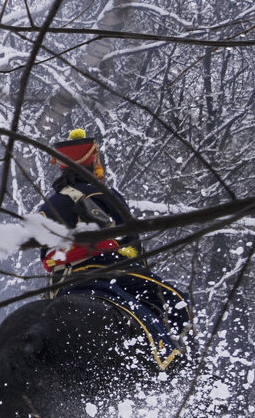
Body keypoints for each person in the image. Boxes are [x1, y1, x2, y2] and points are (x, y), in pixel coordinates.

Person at [37, 129, 192, 359]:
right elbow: (133, 243)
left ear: (62, 166)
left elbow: (44, 256)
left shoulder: (47, 206)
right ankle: (178, 360)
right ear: (93, 162)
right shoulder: (104, 194)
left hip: (61, 284)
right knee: (175, 299)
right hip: (111, 272)